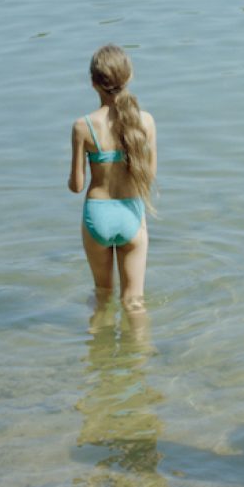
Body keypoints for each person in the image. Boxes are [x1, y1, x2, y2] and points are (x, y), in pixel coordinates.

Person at [68, 44, 158, 312]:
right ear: (129, 78)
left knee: (102, 295)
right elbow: (149, 176)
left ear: (94, 83)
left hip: (98, 215)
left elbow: (76, 186)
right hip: (130, 212)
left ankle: (99, 351)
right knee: (134, 302)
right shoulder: (146, 122)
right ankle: (141, 353)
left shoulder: (82, 126)